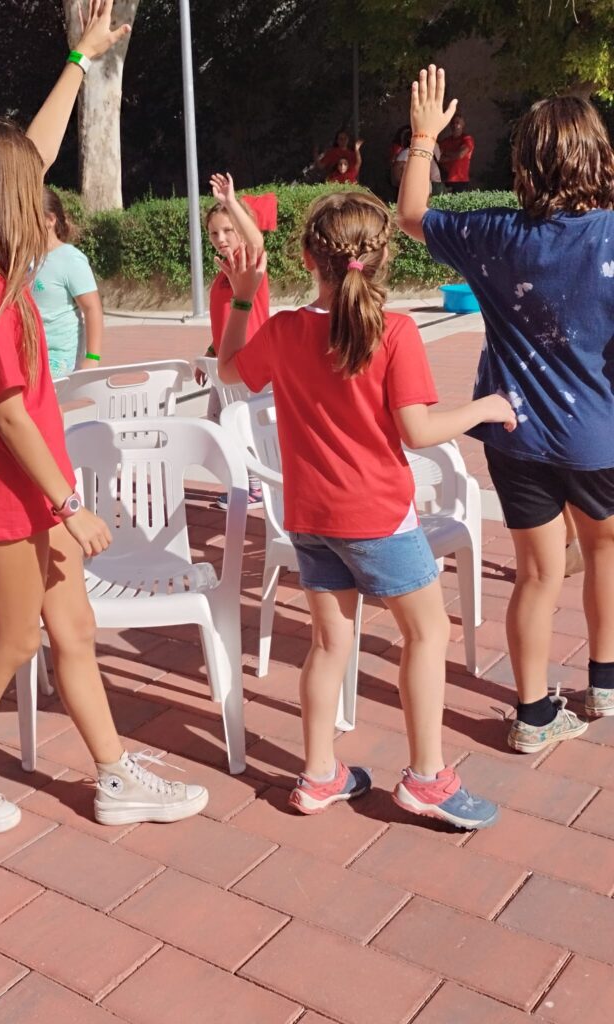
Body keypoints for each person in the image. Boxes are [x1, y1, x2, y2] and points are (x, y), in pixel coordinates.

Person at [0, 0, 208, 835]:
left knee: (74, 631)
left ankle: (114, 775)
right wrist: (68, 504)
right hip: (15, 493)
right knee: (15, 640)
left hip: (35, 489)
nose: (43, 197)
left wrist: (80, 60)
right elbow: (10, 416)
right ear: (0, 199)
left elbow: (36, 148)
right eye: (29, 188)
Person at [217, 191, 514, 829]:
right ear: (383, 258)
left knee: (328, 644)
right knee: (427, 634)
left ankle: (319, 774)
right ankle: (427, 778)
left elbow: (230, 370)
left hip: (308, 516)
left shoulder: (285, 329)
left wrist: (244, 296)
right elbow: (418, 431)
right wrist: (486, 408)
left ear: (307, 257)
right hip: (376, 516)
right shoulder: (393, 330)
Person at [397, 66, 614, 732]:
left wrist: (424, 139)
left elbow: (411, 215)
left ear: (525, 164)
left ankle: (533, 714)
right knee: (604, 554)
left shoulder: (494, 235)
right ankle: (605, 686)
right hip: (599, 437)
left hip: (514, 436)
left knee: (536, 576)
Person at [198, 171, 269, 509]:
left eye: (228, 230)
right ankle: (248, 482)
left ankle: (255, 486)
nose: (220, 238)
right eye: (214, 233)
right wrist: (210, 353)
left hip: (249, 365)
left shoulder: (249, 266)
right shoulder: (223, 273)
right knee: (217, 422)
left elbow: (256, 243)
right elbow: (224, 323)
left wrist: (229, 201)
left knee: (241, 426)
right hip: (225, 364)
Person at [32, 188, 103, 377]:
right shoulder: (24, 259)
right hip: (30, 357)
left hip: (58, 360)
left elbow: (92, 308)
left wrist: (92, 357)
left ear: (50, 220)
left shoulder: (70, 259)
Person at [439, 113, 475, 191]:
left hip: (460, 180)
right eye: (453, 123)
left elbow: (460, 155)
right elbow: (438, 158)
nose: (455, 125)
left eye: (457, 122)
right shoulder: (445, 141)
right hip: (445, 180)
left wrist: (445, 153)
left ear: (463, 124)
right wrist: (454, 156)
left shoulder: (467, 139)